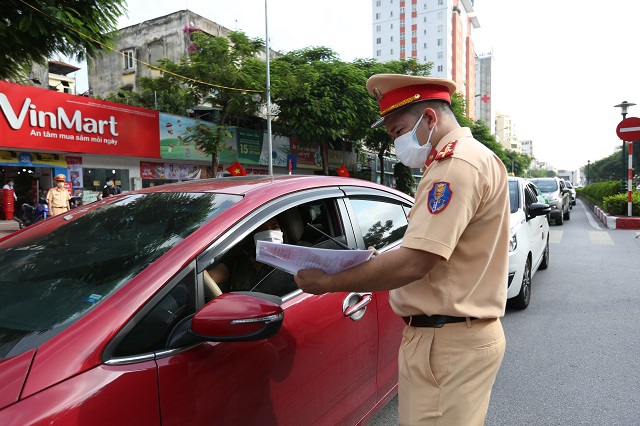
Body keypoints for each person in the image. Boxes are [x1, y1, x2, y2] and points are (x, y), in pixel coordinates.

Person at [294, 74, 510, 425]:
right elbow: (442, 254)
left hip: (447, 341)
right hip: (454, 335)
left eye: (398, 132)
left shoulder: (454, 167)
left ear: (428, 118)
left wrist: (327, 282)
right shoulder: (472, 158)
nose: (396, 143)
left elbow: (415, 263)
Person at [204, 217, 284, 298]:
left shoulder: (290, 264)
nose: (270, 233)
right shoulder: (237, 262)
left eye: (275, 227)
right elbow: (206, 280)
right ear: (253, 236)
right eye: (262, 229)